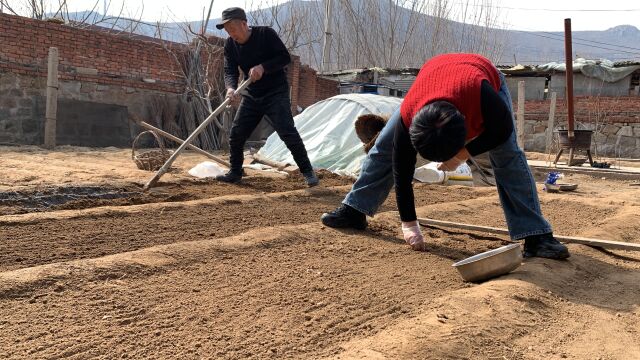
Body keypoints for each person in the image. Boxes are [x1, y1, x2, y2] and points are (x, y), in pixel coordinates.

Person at [321, 53, 570, 259]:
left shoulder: (483, 97)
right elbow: (402, 168)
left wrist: (463, 154)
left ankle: (536, 235)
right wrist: (409, 224)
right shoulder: (410, 116)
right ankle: (355, 209)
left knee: (508, 156)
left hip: (479, 74)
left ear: (466, 130)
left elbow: (501, 131)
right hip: (430, 83)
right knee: (384, 149)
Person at [215, 7, 318, 187]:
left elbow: (284, 58)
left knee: (287, 132)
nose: (231, 35)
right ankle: (235, 172)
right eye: (228, 32)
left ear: (244, 24)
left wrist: (263, 67)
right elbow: (229, 69)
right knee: (237, 134)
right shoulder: (230, 45)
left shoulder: (265, 34)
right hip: (252, 94)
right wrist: (230, 88)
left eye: (233, 30)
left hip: (275, 92)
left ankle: (308, 172)